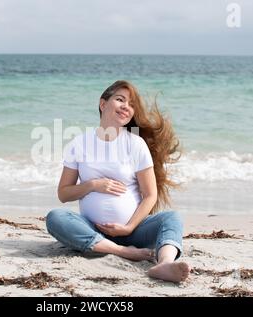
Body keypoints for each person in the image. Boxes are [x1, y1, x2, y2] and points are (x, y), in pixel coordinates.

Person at [46, 80, 191, 283]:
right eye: (120, 99)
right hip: (92, 229)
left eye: (131, 104)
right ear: (103, 104)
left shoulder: (136, 144)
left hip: (134, 231)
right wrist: (92, 185)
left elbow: (150, 195)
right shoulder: (79, 143)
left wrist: (129, 227)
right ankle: (122, 251)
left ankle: (164, 264)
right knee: (55, 217)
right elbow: (63, 194)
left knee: (172, 218)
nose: (126, 107)